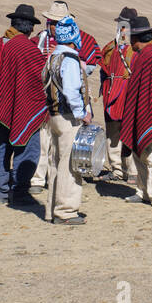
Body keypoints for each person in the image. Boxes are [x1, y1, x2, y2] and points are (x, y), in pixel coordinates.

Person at [30, 1, 100, 192]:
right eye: (50, 21)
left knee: (67, 146)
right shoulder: (39, 40)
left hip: (69, 101)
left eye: (57, 22)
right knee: (43, 142)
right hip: (44, 97)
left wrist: (63, 59)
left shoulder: (80, 39)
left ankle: (68, 178)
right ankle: (38, 179)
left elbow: (90, 66)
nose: (53, 26)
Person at [0, 4, 48, 205]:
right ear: (30, 28)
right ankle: (20, 192)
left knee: (3, 147)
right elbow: (39, 80)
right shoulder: (27, 49)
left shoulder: (0, 43)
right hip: (23, 108)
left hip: (1, 107)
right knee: (27, 149)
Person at [42, 16, 92, 225]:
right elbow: (72, 90)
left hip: (53, 115)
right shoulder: (70, 59)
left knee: (55, 163)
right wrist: (82, 113)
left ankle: (52, 209)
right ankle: (66, 211)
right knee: (69, 165)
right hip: (68, 117)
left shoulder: (52, 57)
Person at [119, 16, 152, 207]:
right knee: (139, 153)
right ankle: (142, 191)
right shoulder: (148, 55)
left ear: (136, 38)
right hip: (143, 111)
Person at [98, 6, 139, 183]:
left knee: (131, 132)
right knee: (112, 133)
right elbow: (104, 70)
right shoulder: (110, 48)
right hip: (112, 95)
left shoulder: (137, 50)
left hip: (129, 95)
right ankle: (116, 169)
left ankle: (133, 170)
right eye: (121, 25)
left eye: (127, 26)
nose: (123, 29)